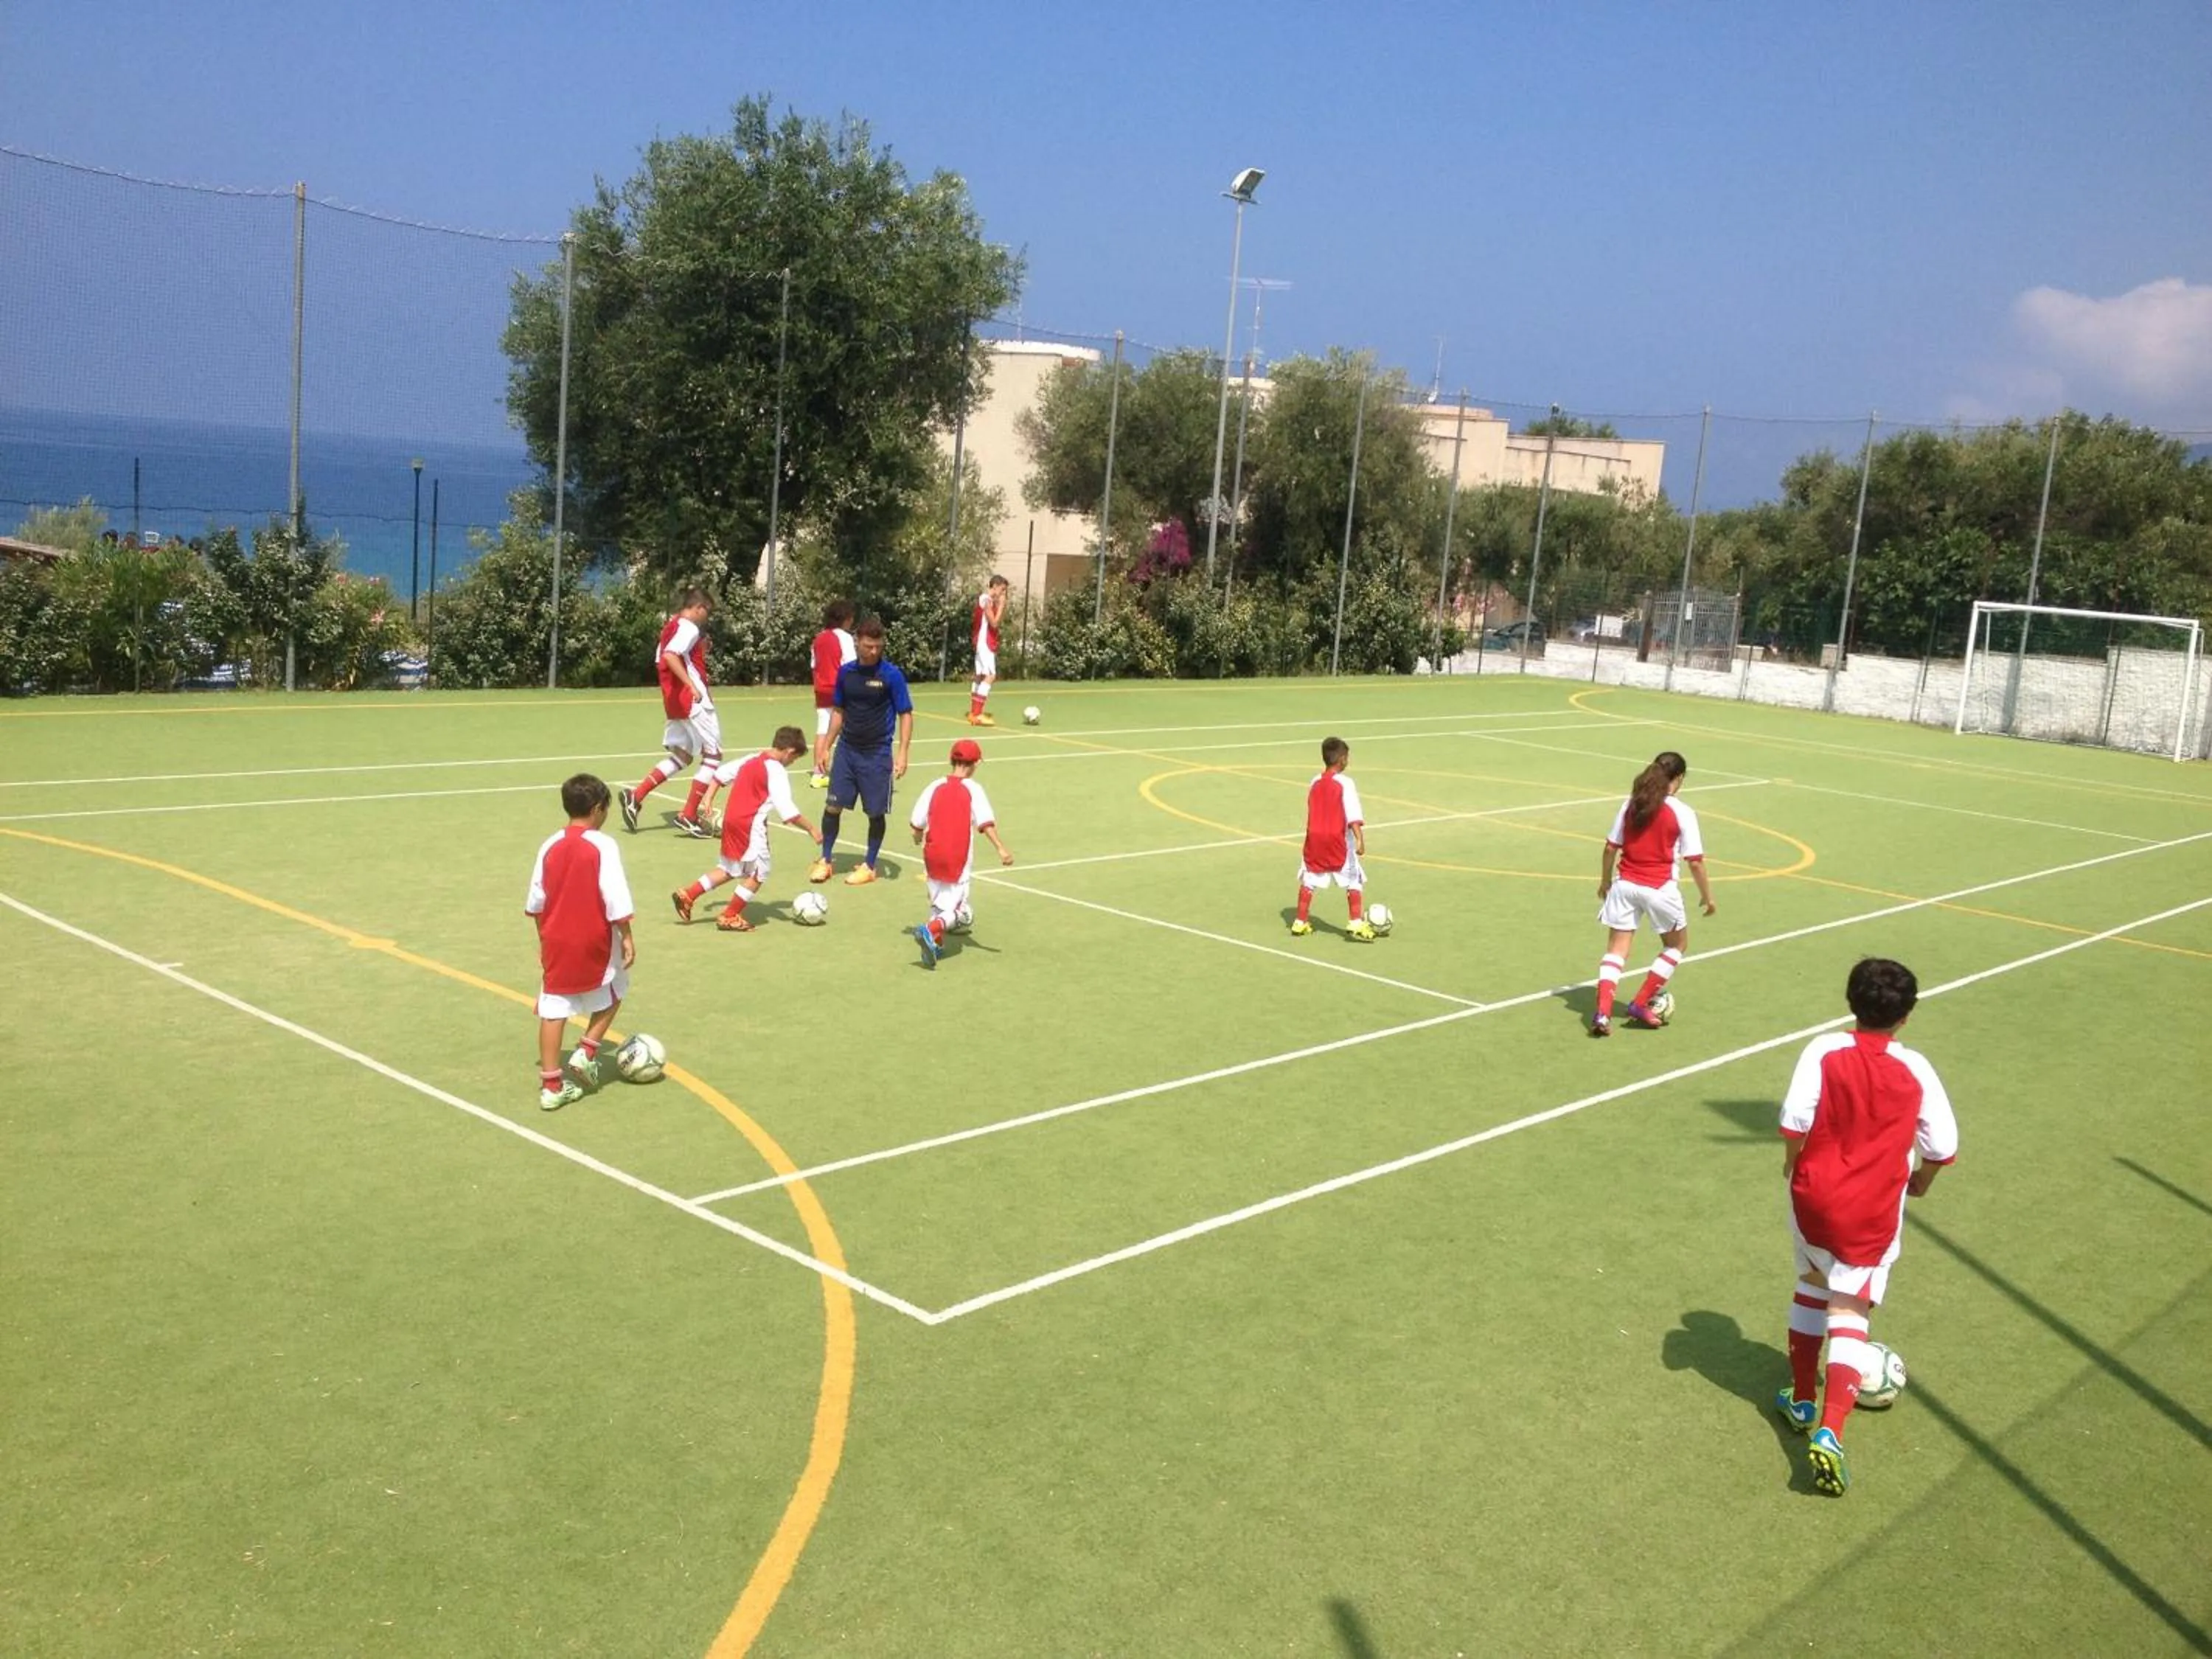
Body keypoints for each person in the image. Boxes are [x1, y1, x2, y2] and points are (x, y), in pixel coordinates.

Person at [1775, 957, 1958, 1496]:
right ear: (1906, 1016)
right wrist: (1922, 1181)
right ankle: (1830, 1430)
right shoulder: (1917, 1069)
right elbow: (1942, 1147)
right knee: (1850, 1306)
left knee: (1812, 1282)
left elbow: (1794, 1119)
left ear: (1851, 1002)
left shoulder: (1823, 1049)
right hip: (1873, 1209)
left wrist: (1793, 1161)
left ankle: (1803, 1397)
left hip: (1812, 1195)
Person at [524, 774, 636, 1111]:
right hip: (593, 936)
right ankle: (587, 1052)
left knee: (552, 1007)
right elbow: (615, 895)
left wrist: (544, 941)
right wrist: (627, 936)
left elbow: (537, 900)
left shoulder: (549, 844)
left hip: (555, 937)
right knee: (617, 988)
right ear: (598, 809)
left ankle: (551, 1086)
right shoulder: (603, 845)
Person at [1589, 750, 1714, 1037]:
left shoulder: (1632, 803)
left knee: (1616, 951)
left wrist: (1605, 881)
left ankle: (1602, 1013)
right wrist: (1707, 897)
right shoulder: (1682, 812)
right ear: (1679, 778)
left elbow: (1610, 847)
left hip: (1625, 886)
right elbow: (1695, 861)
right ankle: (1640, 1003)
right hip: (1659, 889)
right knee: (1676, 945)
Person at [672, 726, 820, 932]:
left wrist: (708, 798)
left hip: (731, 821)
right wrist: (812, 829)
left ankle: (688, 895)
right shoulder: (776, 770)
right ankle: (730, 916)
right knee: (760, 872)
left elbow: (720, 775)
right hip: (749, 826)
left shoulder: (751, 759)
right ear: (790, 751)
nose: (791, 763)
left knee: (730, 869)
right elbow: (788, 812)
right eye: (793, 760)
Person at [809, 617, 913, 886]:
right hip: (847, 751)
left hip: (877, 754)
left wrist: (902, 753)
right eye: (869, 646)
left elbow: (906, 714)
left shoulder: (891, 675)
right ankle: (826, 860)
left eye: (879, 646)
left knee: (875, 813)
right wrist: (826, 746)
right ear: (858, 643)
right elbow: (839, 712)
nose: (874, 651)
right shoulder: (846, 673)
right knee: (833, 806)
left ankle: (869, 865)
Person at [620, 588, 720, 838]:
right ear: (698, 608)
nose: (705, 618)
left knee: (683, 756)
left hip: (674, 701)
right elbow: (670, 656)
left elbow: (662, 660)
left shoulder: (670, 626)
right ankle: (689, 815)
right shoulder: (689, 628)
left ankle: (636, 796)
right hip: (691, 702)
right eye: (706, 612)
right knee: (713, 756)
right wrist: (692, 685)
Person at [909, 737, 1013, 967]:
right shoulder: (973, 789)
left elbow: (917, 823)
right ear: (975, 764)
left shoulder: (934, 785)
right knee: (960, 911)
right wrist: (1001, 849)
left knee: (938, 902)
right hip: (957, 856)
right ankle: (930, 929)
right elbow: (986, 823)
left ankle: (935, 944)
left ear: (951, 760)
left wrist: (918, 837)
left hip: (932, 853)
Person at [1290, 736, 1375, 942]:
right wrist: (1360, 840)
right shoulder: (1346, 783)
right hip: (1337, 838)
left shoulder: (1314, 781)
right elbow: (1353, 814)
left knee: (1309, 878)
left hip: (1315, 838)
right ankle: (1355, 921)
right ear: (1342, 759)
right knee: (1354, 878)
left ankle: (1300, 922)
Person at [808, 599, 858, 788]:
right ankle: (852, 770)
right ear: (845, 619)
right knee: (851, 729)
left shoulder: (819, 638)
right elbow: (851, 665)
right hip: (840, 688)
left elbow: (814, 665)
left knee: (823, 729)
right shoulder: (844, 638)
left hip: (821, 689)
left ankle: (818, 773)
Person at [966, 573, 1010, 726]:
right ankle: (978, 714)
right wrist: (1002, 606)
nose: (1003, 594)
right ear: (995, 586)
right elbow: (994, 623)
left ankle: (973, 712)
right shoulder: (986, 600)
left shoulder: (986, 600)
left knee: (979, 676)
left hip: (981, 642)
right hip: (985, 642)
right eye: (1002, 590)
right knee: (990, 675)